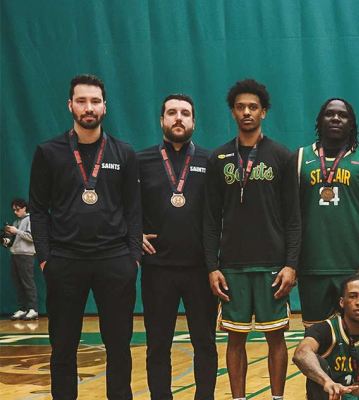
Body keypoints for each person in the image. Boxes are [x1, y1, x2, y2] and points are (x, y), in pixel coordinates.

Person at [29, 74, 142, 399]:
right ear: (70, 105)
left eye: (94, 101)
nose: (88, 107)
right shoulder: (48, 152)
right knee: (63, 347)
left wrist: (132, 259)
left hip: (115, 262)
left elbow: (134, 211)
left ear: (104, 107)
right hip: (64, 262)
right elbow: (38, 209)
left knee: (119, 347)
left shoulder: (124, 153)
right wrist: (46, 258)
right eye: (82, 101)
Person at [204, 78, 300, 400]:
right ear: (232, 112)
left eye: (253, 107)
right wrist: (211, 266)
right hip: (231, 266)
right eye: (241, 107)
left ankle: (277, 398)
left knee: (276, 339)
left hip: (273, 265)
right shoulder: (218, 159)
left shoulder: (282, 156)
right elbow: (209, 220)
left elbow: (293, 219)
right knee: (235, 340)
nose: (247, 112)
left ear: (264, 112)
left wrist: (291, 265)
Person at [136, 94, 217, 399]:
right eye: (171, 113)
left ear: (194, 121)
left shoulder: (210, 160)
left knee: (205, 343)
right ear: (162, 121)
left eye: (185, 113)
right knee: (158, 345)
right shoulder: (141, 161)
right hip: (158, 270)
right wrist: (133, 235)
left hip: (200, 270)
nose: (178, 118)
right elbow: (124, 206)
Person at [294, 98, 359, 327]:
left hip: (356, 266)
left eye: (343, 115)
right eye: (329, 114)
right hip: (312, 266)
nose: (335, 118)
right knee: (315, 338)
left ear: (352, 124)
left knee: (358, 336)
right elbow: (290, 216)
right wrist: (292, 261)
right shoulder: (299, 159)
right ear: (319, 121)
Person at [5, 198, 37, 321]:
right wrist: (6, 241)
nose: (16, 212)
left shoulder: (30, 220)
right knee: (17, 283)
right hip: (15, 254)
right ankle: (22, 308)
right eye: (14, 210)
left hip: (26, 255)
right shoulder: (16, 222)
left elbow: (32, 237)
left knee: (28, 282)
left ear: (24, 208)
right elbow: (14, 241)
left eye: (18, 210)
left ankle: (33, 309)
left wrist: (16, 231)